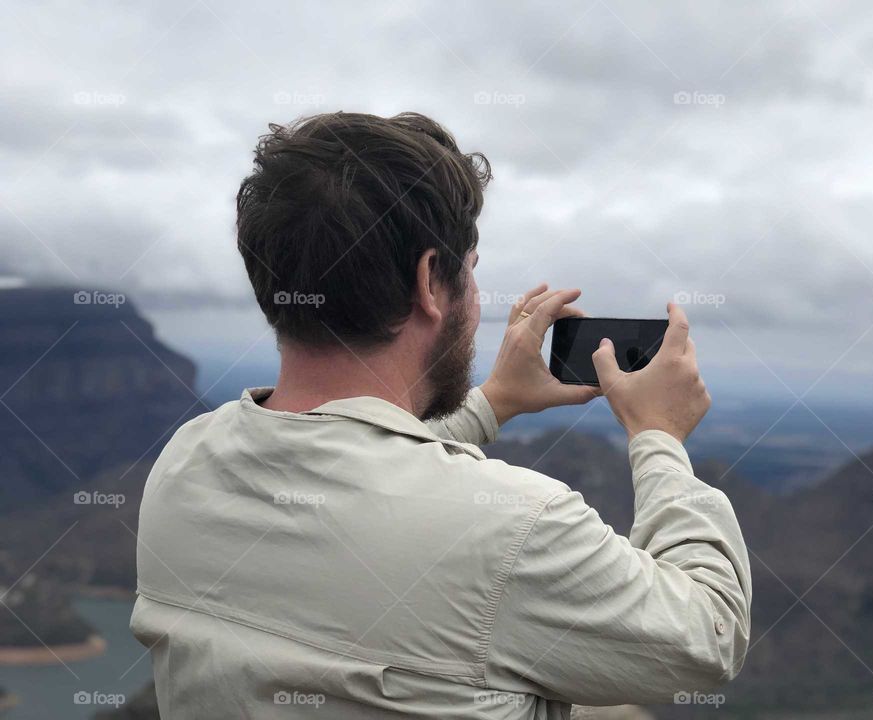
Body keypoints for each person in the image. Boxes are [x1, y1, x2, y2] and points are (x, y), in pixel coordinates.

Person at [131, 112, 751, 719]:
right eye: (472, 272)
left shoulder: (186, 462)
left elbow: (362, 485)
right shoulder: (516, 528)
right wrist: (659, 437)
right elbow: (708, 635)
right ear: (431, 280)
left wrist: (495, 401)